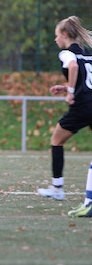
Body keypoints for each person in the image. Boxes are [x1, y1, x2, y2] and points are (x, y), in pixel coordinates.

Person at [36, 16, 92, 209]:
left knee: (56, 140)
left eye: (57, 35)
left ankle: (57, 188)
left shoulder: (67, 54)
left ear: (65, 35)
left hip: (82, 106)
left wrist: (70, 92)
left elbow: (73, 67)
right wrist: (66, 86)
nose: (55, 39)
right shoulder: (87, 53)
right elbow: (86, 80)